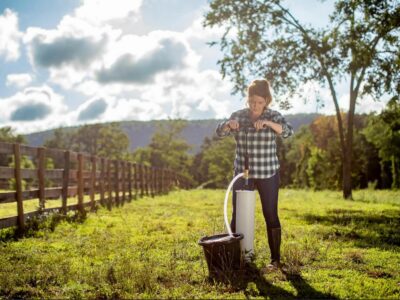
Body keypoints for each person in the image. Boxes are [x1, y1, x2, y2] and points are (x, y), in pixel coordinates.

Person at [216, 79, 294, 270]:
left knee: (270, 214)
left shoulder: (274, 115)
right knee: (238, 215)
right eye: (252, 101)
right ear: (247, 99)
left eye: (259, 102)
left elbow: (288, 131)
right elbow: (219, 132)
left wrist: (268, 123)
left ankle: (275, 260)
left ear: (266, 100)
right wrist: (228, 125)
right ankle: (237, 258)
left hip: (268, 173)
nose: (255, 106)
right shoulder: (239, 116)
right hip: (243, 175)